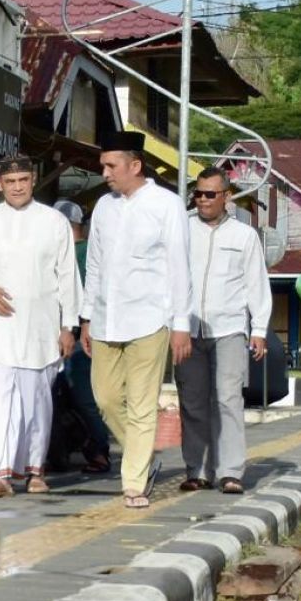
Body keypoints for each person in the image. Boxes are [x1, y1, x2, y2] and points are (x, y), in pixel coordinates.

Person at [0, 156, 80, 499]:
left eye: (23, 179)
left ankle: (35, 471)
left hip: (41, 329)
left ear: (33, 179)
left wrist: (68, 324)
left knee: (37, 402)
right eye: (10, 182)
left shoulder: (53, 222)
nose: (18, 187)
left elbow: (68, 276)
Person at [80, 131, 192, 509]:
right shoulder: (103, 207)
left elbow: (179, 267)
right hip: (106, 320)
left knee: (143, 404)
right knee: (107, 399)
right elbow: (93, 265)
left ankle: (133, 484)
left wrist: (180, 323)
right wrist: (85, 319)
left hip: (150, 319)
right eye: (103, 166)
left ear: (135, 165)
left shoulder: (167, 204)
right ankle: (142, 457)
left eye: (111, 166)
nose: (106, 173)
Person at [175, 168, 272, 494]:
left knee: (227, 400)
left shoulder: (244, 236)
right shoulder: (182, 231)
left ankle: (231, 472)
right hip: (186, 328)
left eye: (209, 194)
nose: (202, 200)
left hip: (229, 329)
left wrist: (258, 329)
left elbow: (256, 285)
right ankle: (198, 470)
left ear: (226, 197)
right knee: (192, 401)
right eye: (198, 194)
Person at [53, 199, 112, 474]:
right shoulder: (58, 253)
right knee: (58, 398)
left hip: (82, 335)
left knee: (83, 396)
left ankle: (100, 450)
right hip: (57, 333)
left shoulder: (86, 253)